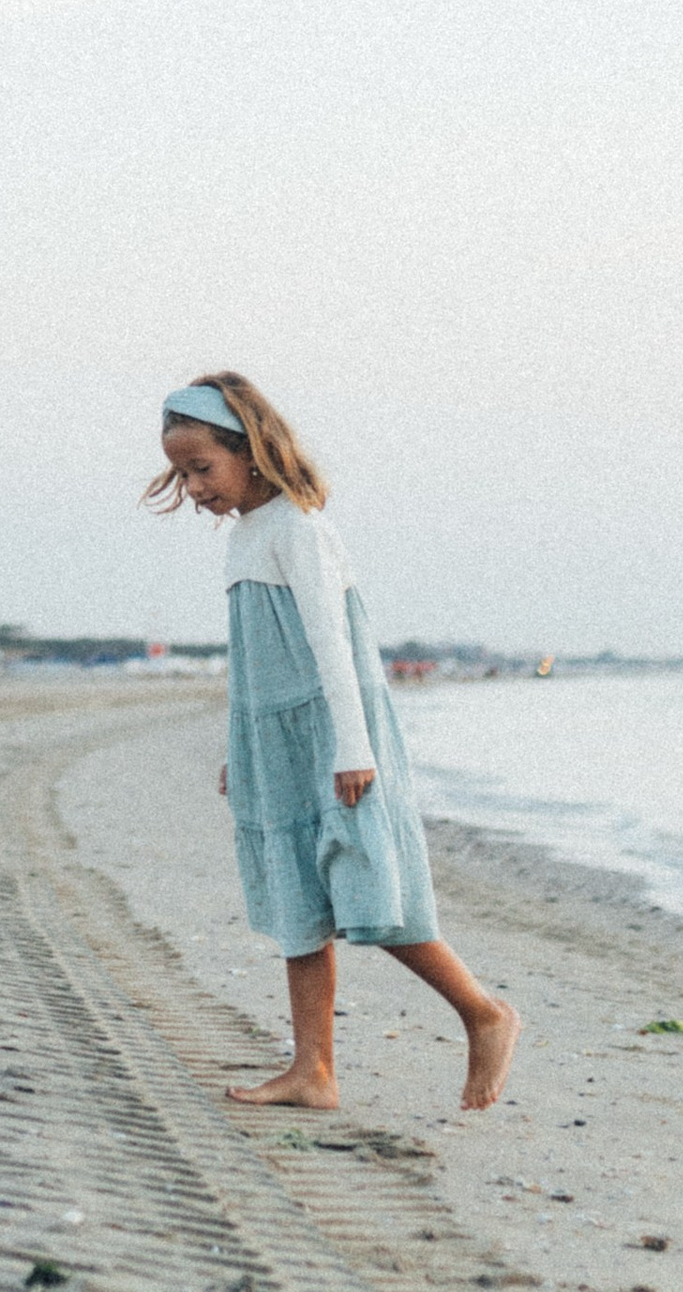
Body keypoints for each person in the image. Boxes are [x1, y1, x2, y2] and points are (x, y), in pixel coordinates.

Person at [150, 376, 517, 1113]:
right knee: (296, 898)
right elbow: (252, 659)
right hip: (273, 735)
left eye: (202, 468)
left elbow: (332, 646)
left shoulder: (299, 527)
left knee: (365, 889)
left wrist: (353, 747)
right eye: (182, 473)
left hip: (333, 732)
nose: (193, 488)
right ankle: (313, 1069)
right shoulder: (248, 536)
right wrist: (240, 744)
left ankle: (483, 1011)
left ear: (249, 452)